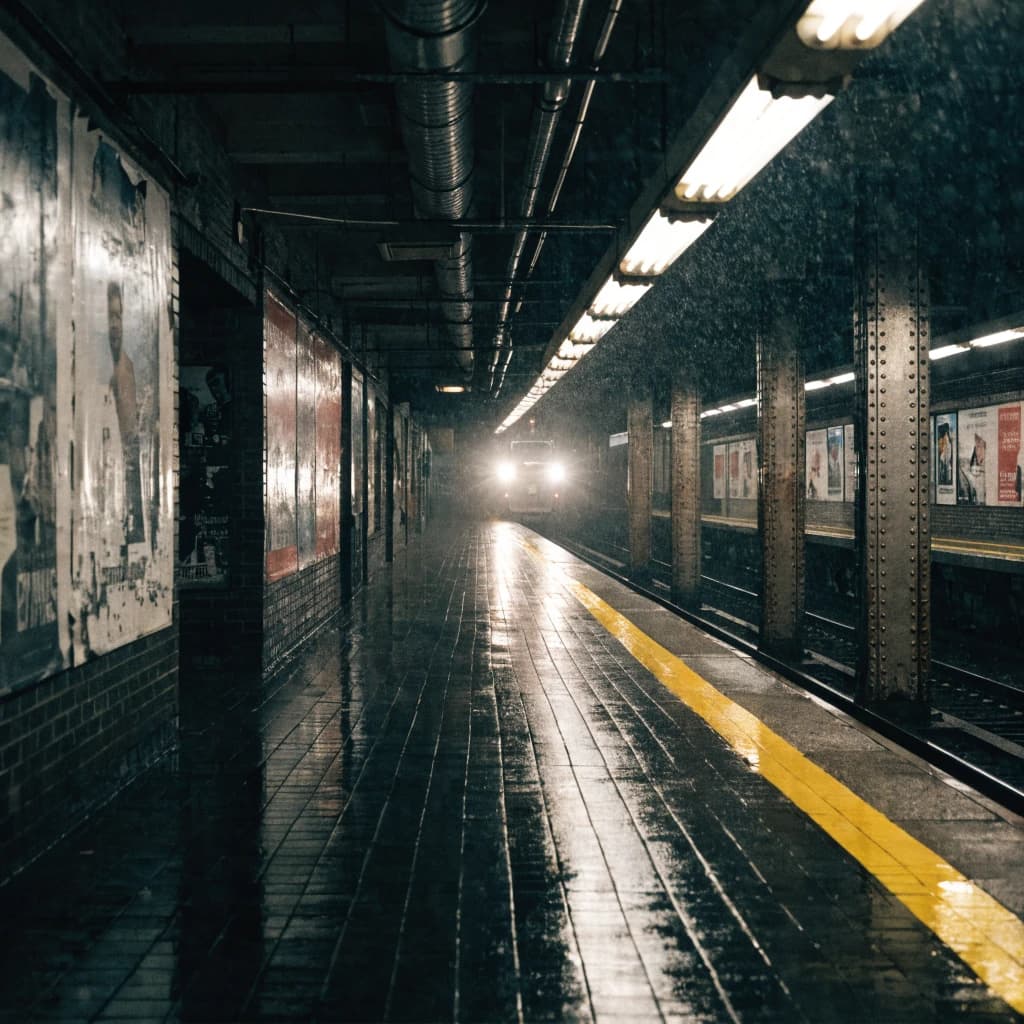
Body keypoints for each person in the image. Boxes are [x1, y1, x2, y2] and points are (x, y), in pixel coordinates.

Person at [107, 282, 145, 543]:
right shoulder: (89, 363)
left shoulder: (125, 367)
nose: (115, 324)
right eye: (109, 316)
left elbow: (130, 434)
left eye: (118, 315)